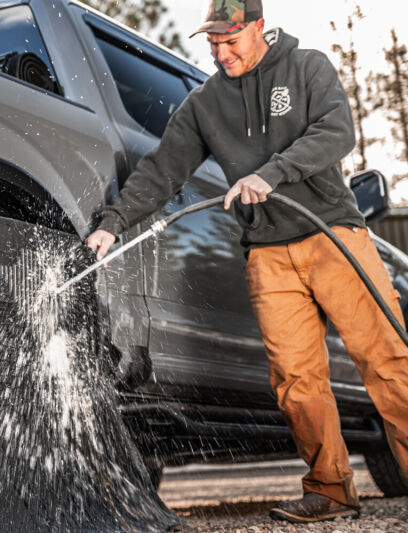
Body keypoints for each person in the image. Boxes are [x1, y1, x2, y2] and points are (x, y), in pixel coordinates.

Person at [86, 0, 408, 524]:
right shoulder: (204, 103)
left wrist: (273, 172)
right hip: (268, 254)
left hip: (334, 236)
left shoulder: (307, 68)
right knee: (295, 376)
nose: (221, 52)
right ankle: (330, 488)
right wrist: (112, 222)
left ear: (259, 28)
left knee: (386, 361)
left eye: (231, 40)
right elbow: (163, 169)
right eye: (212, 42)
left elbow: (335, 133)